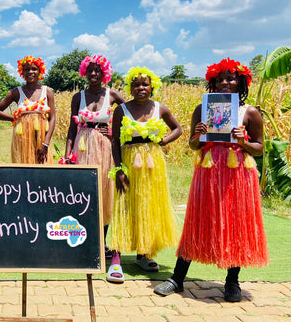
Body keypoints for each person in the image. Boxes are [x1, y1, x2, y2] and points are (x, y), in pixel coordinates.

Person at [154, 58, 268, 302]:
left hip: (237, 174)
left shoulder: (249, 112)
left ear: (241, 82)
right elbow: (193, 145)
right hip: (207, 173)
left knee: (235, 224)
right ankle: (177, 278)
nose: (225, 83)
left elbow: (259, 148)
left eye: (231, 78)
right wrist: (200, 136)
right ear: (213, 83)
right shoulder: (201, 109)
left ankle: (232, 282)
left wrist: (243, 142)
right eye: (220, 79)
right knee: (198, 220)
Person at [107, 67, 182, 283]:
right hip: (130, 160)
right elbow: (114, 141)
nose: (141, 88)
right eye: (136, 84)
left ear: (152, 87)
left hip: (153, 163)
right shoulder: (121, 110)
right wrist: (119, 168)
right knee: (125, 205)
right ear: (130, 88)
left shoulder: (160, 108)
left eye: (145, 84)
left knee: (148, 205)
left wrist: (164, 141)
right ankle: (116, 258)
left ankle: (143, 253)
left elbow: (177, 128)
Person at [62, 55, 125, 259]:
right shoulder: (77, 97)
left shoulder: (113, 95)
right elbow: (72, 128)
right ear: (84, 72)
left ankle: (102, 243)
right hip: (82, 148)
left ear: (104, 72)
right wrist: (67, 155)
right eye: (90, 70)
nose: (94, 74)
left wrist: (115, 133)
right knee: (83, 194)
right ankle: (83, 241)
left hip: (105, 149)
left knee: (104, 194)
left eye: (98, 70)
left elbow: (130, 116)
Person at [0, 56, 56, 164]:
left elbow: (53, 118)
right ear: (22, 72)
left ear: (40, 71)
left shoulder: (47, 91)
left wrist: (46, 143)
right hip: (22, 138)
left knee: (43, 166)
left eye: (34, 69)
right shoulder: (17, 92)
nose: (30, 72)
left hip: (42, 139)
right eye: (27, 69)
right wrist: (14, 118)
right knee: (24, 165)